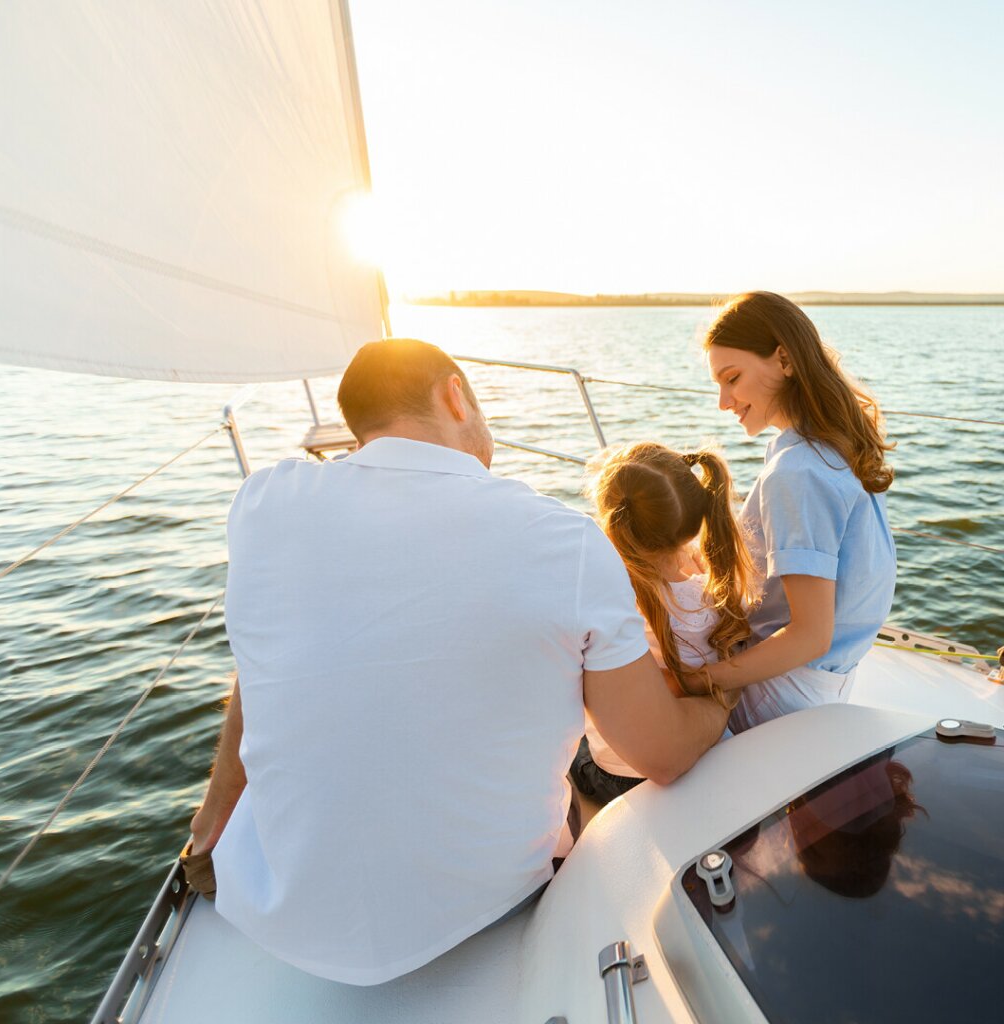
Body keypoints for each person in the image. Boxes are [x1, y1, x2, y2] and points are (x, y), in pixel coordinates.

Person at [185, 338, 728, 986]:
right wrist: (719, 696)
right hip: (487, 909)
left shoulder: (262, 503)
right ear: (454, 394)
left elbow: (260, 652)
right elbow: (658, 753)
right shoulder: (564, 541)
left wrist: (215, 812)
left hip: (272, 913)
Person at [694, 291, 896, 731]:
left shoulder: (797, 470)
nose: (723, 402)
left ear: (784, 360)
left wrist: (700, 680)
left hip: (778, 692)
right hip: (825, 686)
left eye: (732, 378)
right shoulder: (839, 444)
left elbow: (809, 634)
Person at [571, 442, 757, 803]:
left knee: (575, 747)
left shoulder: (607, 599)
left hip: (620, 777)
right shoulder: (711, 591)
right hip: (714, 745)